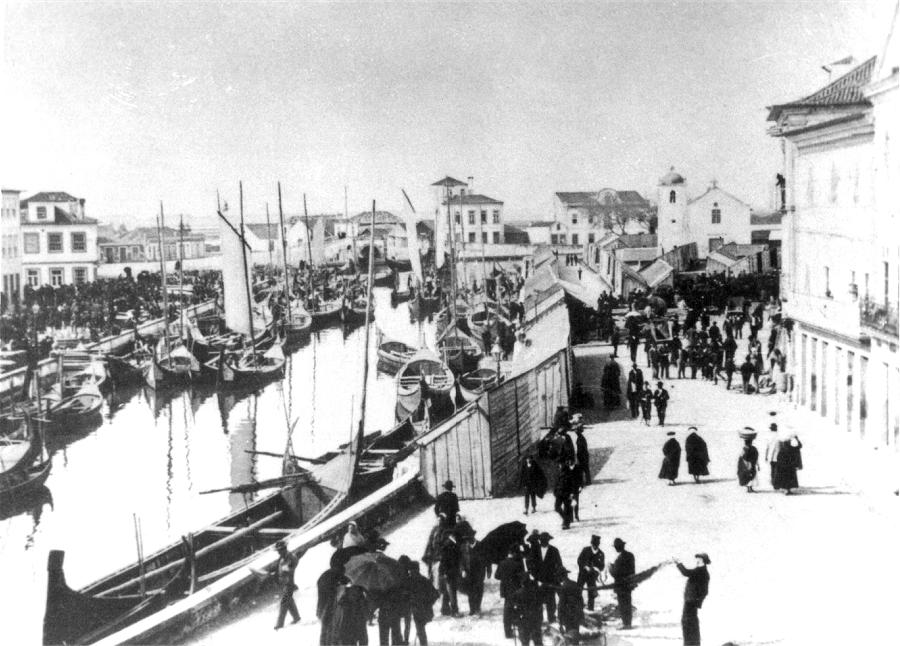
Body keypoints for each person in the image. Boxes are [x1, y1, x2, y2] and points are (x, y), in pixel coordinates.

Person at [675, 553, 710, 646]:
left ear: (703, 560)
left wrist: (678, 563)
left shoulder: (701, 571)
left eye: (699, 558)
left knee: (688, 623)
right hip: (691, 601)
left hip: (691, 602)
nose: (697, 560)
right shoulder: (701, 571)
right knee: (689, 623)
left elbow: (685, 572)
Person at [528, 531, 564, 623]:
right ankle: (538, 619)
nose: (543, 541)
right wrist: (533, 575)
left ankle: (551, 618)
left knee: (550, 599)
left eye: (545, 540)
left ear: (548, 540)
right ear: (540, 540)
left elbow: (559, 564)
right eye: (542, 540)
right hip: (538, 579)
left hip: (550, 579)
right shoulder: (534, 550)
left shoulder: (554, 550)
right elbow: (530, 563)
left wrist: (557, 576)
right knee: (537, 599)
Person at [403, 560, 439, 646]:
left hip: (419, 609)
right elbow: (435, 594)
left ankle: (421, 644)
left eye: (412, 570)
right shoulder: (421, 580)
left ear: (416, 570)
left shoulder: (417, 581)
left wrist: (427, 603)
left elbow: (435, 594)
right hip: (414, 608)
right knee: (418, 629)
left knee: (420, 629)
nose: (411, 572)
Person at [495, 546, 526, 639]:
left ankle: (508, 632)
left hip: (505, 590)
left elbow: (497, 576)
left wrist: (504, 578)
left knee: (507, 611)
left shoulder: (502, 563)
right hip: (516, 590)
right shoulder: (518, 564)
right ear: (514, 553)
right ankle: (520, 630)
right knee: (518, 609)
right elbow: (522, 577)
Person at [609, 537, 635, 629]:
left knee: (623, 605)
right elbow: (631, 570)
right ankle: (628, 623)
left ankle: (626, 624)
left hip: (621, 585)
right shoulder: (630, 555)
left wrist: (610, 568)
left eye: (616, 547)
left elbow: (616, 573)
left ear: (617, 547)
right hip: (629, 584)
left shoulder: (619, 559)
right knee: (628, 603)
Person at [273, 540, 300, 630]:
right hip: (283, 583)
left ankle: (279, 624)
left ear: (284, 549)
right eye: (278, 550)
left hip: (289, 583)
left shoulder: (291, 557)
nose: (278, 552)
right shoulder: (281, 558)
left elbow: (293, 567)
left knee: (284, 603)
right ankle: (296, 617)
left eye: (280, 550)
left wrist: (287, 569)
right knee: (289, 601)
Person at [316, 562, 345, 645]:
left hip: (323, 607)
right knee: (334, 630)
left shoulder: (325, 575)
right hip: (332, 607)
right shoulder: (338, 575)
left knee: (325, 630)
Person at [510, 576, 544, 645]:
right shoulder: (536, 593)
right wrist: (540, 618)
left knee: (525, 641)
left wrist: (514, 619)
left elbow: (514, 608)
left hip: (523, 621)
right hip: (535, 620)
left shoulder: (517, 593)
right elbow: (540, 606)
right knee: (537, 641)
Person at [576, 535, 606, 611]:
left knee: (591, 593)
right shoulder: (585, 550)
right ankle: (579, 607)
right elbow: (579, 560)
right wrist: (585, 567)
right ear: (591, 543)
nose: (595, 546)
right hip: (582, 574)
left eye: (596, 545)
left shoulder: (601, 554)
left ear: (598, 544)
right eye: (593, 544)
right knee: (578, 590)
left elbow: (602, 566)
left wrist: (595, 569)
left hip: (592, 576)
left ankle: (590, 609)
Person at [461, 533, 488, 615]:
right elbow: (461, 560)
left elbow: (487, 558)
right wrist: (463, 570)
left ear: (473, 537)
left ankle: (477, 607)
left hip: (479, 572)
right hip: (469, 572)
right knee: (470, 591)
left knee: (479, 590)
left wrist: (488, 569)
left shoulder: (481, 545)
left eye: (469, 539)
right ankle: (472, 609)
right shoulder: (463, 547)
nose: (467, 541)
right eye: (466, 540)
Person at [438, 529, 462, 616]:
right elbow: (444, 561)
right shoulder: (450, 546)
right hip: (450, 572)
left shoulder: (450, 545)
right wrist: (445, 572)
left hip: (449, 572)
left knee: (447, 592)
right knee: (452, 592)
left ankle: (444, 609)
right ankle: (454, 611)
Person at [557, 570, 585, 640]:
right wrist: (580, 613)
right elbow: (581, 600)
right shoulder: (575, 584)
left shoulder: (563, 587)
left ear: (560, 577)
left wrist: (560, 620)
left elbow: (561, 605)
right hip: (577, 614)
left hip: (568, 616)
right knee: (576, 634)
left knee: (570, 636)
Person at [554, 459, 580, 529]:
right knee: (557, 507)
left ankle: (566, 524)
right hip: (559, 493)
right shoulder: (559, 473)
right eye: (559, 465)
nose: (559, 466)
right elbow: (556, 483)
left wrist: (572, 493)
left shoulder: (569, 473)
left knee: (567, 509)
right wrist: (555, 491)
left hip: (567, 493)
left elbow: (573, 484)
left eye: (560, 464)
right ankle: (566, 519)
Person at [764, 423, 782, 491]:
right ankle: (776, 484)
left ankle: (773, 483)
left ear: (771, 429)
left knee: (772, 470)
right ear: (776, 428)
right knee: (778, 470)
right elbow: (781, 446)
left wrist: (766, 456)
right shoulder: (779, 435)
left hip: (770, 456)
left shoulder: (768, 436)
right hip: (779, 456)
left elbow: (767, 447)